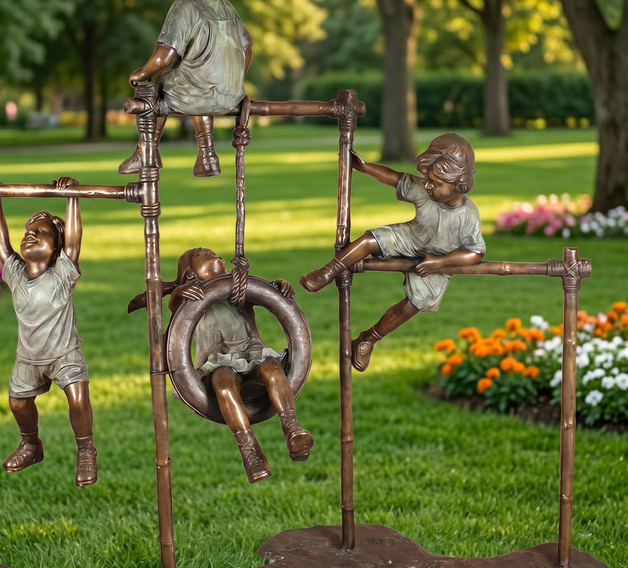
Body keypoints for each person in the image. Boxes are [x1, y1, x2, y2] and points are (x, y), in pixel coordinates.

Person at [300, 132, 485, 372]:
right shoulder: (424, 191)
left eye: (435, 183)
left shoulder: (468, 215)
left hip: (440, 258)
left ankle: (369, 338)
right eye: (427, 179)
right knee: (370, 240)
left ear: (459, 184)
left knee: (415, 304)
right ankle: (328, 271)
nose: (427, 185)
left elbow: (474, 253)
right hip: (410, 238)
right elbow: (395, 178)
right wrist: (364, 167)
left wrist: (439, 264)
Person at [0, 175, 98, 487]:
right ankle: (31, 444)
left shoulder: (62, 274)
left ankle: (85, 449)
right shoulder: (16, 275)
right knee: (18, 402)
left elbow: (74, 241)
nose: (30, 237)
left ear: (57, 247)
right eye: (28, 233)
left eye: (41, 234)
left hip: (64, 354)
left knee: (78, 396)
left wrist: (74, 197)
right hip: (28, 358)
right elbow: (2, 244)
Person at [165, 248, 313, 483]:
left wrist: (280, 287)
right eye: (200, 253)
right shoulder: (188, 299)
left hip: (251, 351)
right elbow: (174, 310)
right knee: (223, 385)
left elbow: (265, 294)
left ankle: (292, 428)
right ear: (190, 274)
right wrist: (178, 293)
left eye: (211, 250)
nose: (209, 251)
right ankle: (249, 450)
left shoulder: (236, 291)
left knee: (273, 369)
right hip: (216, 361)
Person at [119, 0, 252, 178]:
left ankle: (146, 151)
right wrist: (232, 79)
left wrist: (141, 72)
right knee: (191, 83)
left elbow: (165, 56)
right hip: (230, 95)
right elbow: (247, 48)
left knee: (160, 82)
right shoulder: (226, 6)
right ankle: (207, 155)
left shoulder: (183, 7)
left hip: (197, 94)